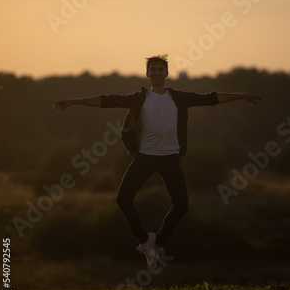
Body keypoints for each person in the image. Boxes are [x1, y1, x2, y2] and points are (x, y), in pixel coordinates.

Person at [53, 54, 263, 269]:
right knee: (123, 198)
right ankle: (144, 240)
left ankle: (157, 242)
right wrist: (74, 101)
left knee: (181, 205)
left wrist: (241, 95)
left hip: (170, 159)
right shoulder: (139, 98)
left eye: (160, 69)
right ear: (147, 74)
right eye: (152, 70)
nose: (156, 73)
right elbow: (107, 100)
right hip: (144, 158)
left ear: (166, 73)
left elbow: (210, 98)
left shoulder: (179, 98)